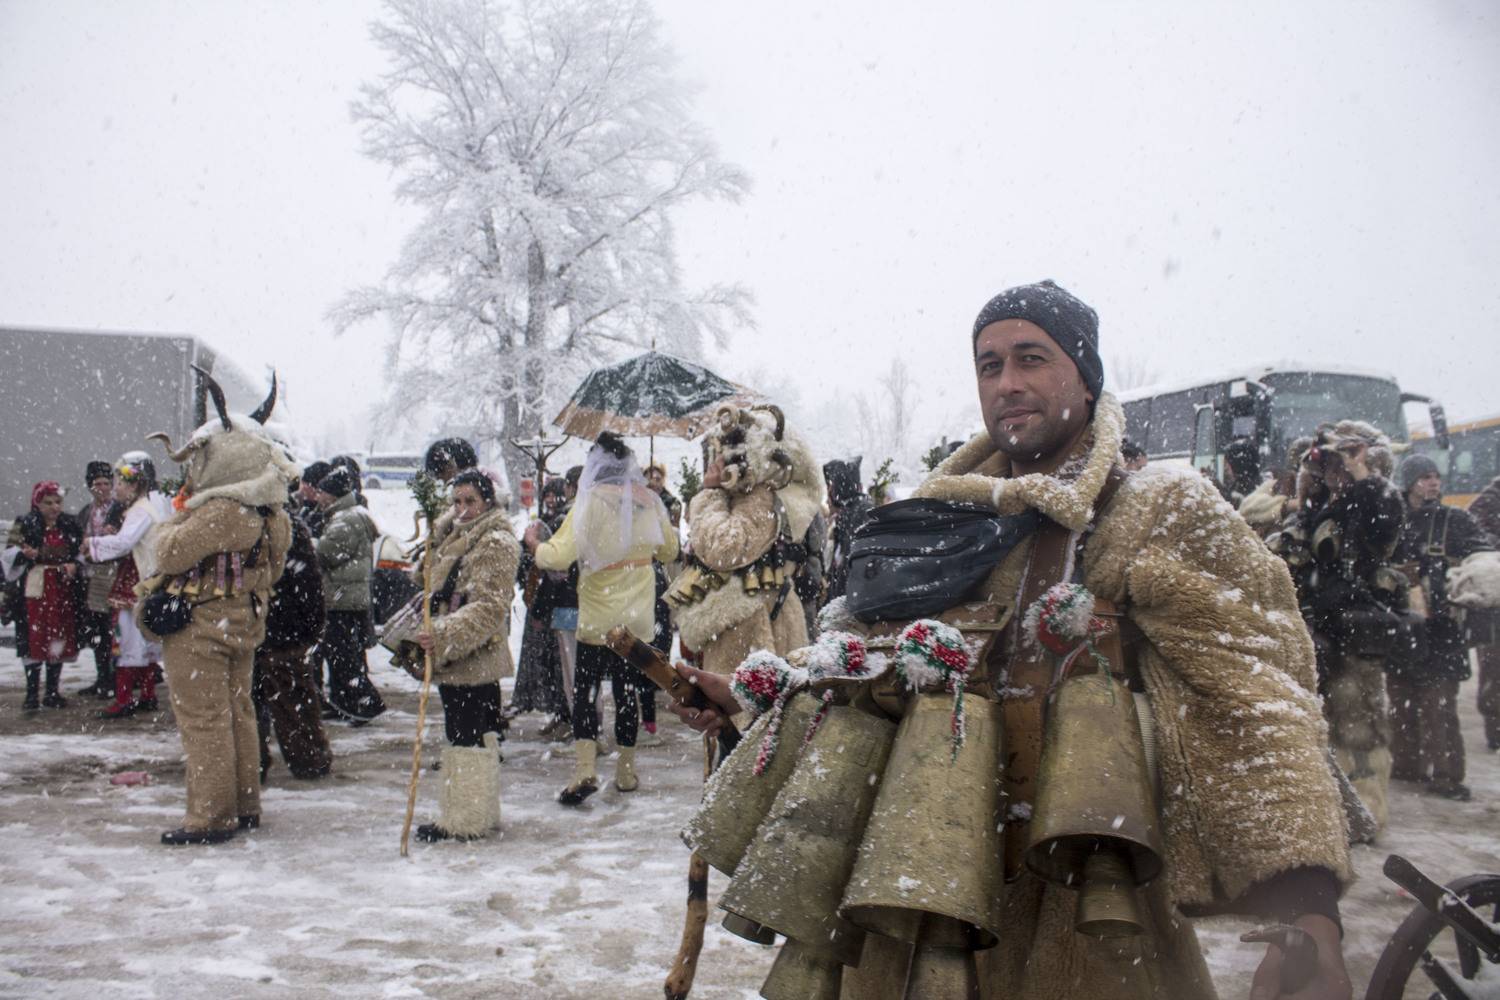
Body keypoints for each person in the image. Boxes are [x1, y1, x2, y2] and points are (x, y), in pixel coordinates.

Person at [674, 280, 1352, 1000]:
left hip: (1086, 906)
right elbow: (873, 658)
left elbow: (1254, 704)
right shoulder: (937, 517)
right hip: (910, 886)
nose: (1008, 383)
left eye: (1032, 358)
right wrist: (749, 694)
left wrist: (1310, 911)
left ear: (1085, 379)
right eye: (989, 365)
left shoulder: (1159, 511)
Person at [142, 373, 295, 845]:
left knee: (204, 718)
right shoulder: (273, 513)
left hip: (201, 622)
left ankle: (211, 815)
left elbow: (168, 553)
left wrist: (172, 523)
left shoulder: (223, 509)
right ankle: (244, 803)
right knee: (238, 711)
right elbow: (273, 570)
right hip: (243, 618)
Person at [525, 433, 678, 804]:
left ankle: (584, 768)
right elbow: (669, 551)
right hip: (636, 619)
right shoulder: (650, 501)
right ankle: (626, 771)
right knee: (626, 692)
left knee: (586, 692)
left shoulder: (588, 503)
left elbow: (558, 556)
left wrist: (535, 545)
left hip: (597, 616)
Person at [1268, 420, 1405, 831]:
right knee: (1311, 723)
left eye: (1339, 464)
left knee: (1357, 723)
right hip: (1312, 631)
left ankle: (1365, 811)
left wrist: (1360, 470)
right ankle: (1322, 811)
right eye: (1326, 464)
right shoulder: (1312, 511)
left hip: (1354, 634)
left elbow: (1387, 517)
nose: (1333, 471)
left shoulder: (1371, 504)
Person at [667, 404, 821, 678]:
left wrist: (710, 493)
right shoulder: (750, 495)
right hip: (749, 623)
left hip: (755, 628)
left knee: (745, 703)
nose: (714, 462)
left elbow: (725, 548)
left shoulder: (760, 496)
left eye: (719, 454)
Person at [412, 470, 519, 841]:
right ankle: (475, 811)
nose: (462, 509)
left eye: (470, 501)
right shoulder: (457, 535)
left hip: (473, 652)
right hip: (456, 651)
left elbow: (490, 607)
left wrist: (444, 635)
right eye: (456, 501)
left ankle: (465, 818)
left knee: (467, 735)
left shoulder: (495, 541)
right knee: (468, 732)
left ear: (488, 501)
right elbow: (426, 580)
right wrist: (436, 536)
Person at [1386, 455, 1494, 800]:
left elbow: (1483, 555)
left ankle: (1447, 777)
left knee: (1439, 707)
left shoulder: (1454, 520)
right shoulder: (1392, 519)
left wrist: (1455, 576)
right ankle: (1406, 768)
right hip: (1402, 627)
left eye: (1435, 476)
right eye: (1424, 477)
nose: (1433, 482)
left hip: (1443, 629)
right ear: (1409, 483)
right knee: (1401, 702)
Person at [254, 487, 332, 782]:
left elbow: (308, 582)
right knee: (287, 699)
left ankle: (301, 759)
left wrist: (308, 627)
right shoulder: (285, 524)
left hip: (278, 628)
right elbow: (310, 582)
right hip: (278, 627)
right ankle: (305, 758)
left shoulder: (280, 526)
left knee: (284, 698)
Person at [85, 454, 171, 719]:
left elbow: (124, 542)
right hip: (146, 576)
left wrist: (93, 544)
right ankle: (146, 694)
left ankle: (124, 698)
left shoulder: (140, 510)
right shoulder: (151, 505)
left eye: (120, 483)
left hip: (136, 579)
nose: (116, 489)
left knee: (127, 638)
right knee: (143, 639)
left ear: (134, 485)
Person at [314, 467, 386, 725]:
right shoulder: (350, 514)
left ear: (332, 494)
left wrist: (308, 542)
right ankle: (344, 703)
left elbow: (326, 553)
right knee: (342, 654)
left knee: (343, 657)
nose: (318, 497)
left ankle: (366, 702)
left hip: (342, 598)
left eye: (321, 492)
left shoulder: (345, 520)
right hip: (348, 597)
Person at [508, 476, 572, 735]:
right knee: (548, 665)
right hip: (545, 602)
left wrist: (534, 546)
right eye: (547, 494)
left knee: (560, 666)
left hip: (555, 604)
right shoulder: (546, 521)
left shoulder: (563, 522)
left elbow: (555, 567)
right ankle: (559, 712)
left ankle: (567, 715)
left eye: (555, 494)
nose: (550, 499)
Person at [14, 482, 83, 711]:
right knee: (33, 634)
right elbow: (8, 554)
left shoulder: (70, 524)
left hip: (62, 588)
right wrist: (25, 555)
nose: (55, 507)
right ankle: (32, 693)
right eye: (48, 502)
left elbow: (81, 554)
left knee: (58, 633)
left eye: (58, 502)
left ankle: (52, 691)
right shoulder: (23, 523)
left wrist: (74, 565)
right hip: (34, 588)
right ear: (37, 503)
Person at [74, 460, 125, 699]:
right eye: (97, 484)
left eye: (106, 483)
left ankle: (117, 678)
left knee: (113, 627)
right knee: (96, 628)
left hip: (114, 572)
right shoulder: (86, 512)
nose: (102, 488)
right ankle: (102, 676)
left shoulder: (120, 510)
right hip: (92, 574)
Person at [1467, 474, 1500, 750]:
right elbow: (1477, 542)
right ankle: (1496, 730)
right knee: (1494, 668)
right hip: (1494, 605)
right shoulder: (1489, 501)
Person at [822, 457, 874, 605]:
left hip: (854, 607)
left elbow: (852, 569)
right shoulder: (847, 515)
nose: (826, 499)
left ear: (837, 489)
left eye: (830, 488)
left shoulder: (860, 514)